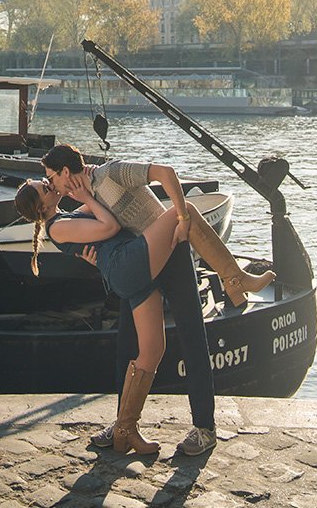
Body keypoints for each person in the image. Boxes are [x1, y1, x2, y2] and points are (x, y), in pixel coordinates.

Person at [41, 144, 275, 456]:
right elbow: (94, 234)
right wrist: (92, 258)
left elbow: (165, 173)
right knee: (126, 347)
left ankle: (204, 427)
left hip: (172, 253)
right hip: (139, 262)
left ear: (65, 173)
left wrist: (181, 218)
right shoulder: (86, 200)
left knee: (193, 337)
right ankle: (123, 424)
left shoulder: (111, 172)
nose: (51, 184)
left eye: (51, 178)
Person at [14, 173, 188, 454]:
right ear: (41, 209)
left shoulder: (65, 217)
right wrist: (86, 199)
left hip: (130, 264)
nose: (50, 185)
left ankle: (125, 429)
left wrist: (85, 191)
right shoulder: (57, 227)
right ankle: (233, 278)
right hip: (129, 264)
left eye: (47, 181)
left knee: (153, 350)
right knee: (183, 212)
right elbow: (110, 226)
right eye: (45, 188)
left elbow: (98, 213)